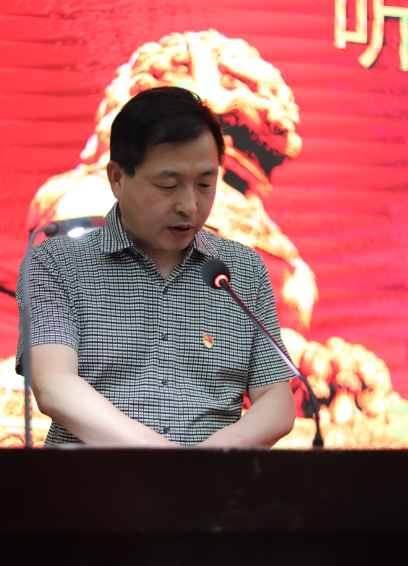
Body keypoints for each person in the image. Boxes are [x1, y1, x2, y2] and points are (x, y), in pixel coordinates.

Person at [16, 87, 296, 448]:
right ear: (117, 178)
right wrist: (164, 462)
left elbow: (276, 397)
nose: (189, 205)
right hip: (91, 481)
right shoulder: (57, 262)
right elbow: (54, 383)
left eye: (205, 184)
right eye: (168, 184)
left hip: (212, 479)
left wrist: (215, 455)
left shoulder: (243, 269)